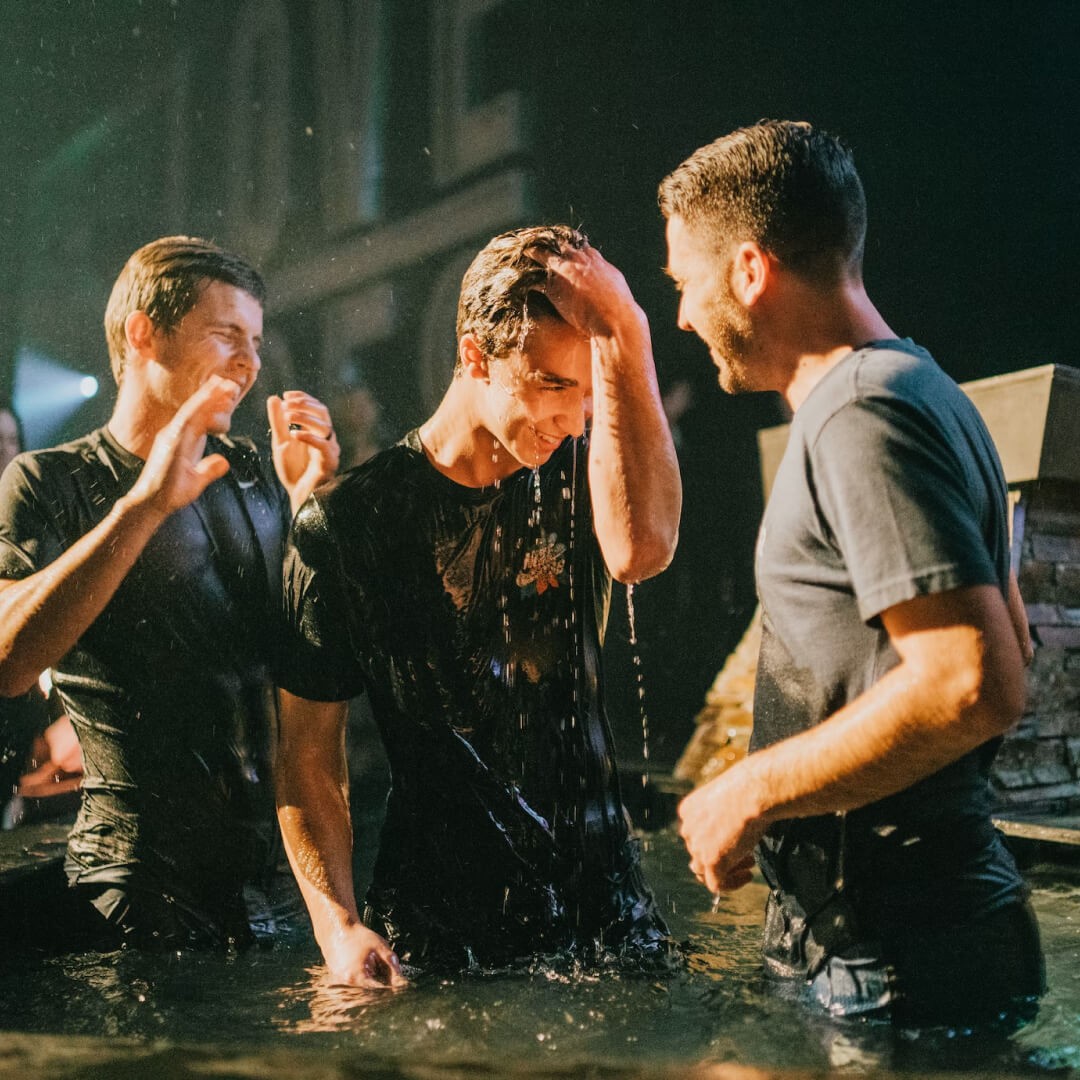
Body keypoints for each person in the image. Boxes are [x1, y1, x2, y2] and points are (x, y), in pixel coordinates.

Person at [661, 121, 1044, 1024]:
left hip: (892, 952)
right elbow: (1013, 635)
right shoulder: (917, 388)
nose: (681, 314)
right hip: (892, 938)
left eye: (685, 282)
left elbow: (975, 682)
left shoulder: (859, 411)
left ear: (749, 271)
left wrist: (750, 789)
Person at [275, 225, 682, 986]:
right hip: (439, 932)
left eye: (589, 392)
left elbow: (643, 549)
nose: (573, 419)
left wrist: (628, 327)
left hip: (609, 918)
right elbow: (305, 752)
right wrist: (337, 927)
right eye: (554, 385)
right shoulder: (350, 523)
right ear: (473, 355)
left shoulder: (582, 474)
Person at [0, 236, 339, 949]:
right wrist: (145, 504)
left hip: (273, 881)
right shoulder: (48, 481)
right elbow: (7, 660)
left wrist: (309, 504)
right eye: (225, 336)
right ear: (142, 332)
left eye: (255, 340)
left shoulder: (248, 473)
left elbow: (296, 660)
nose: (248, 362)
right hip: (133, 887)